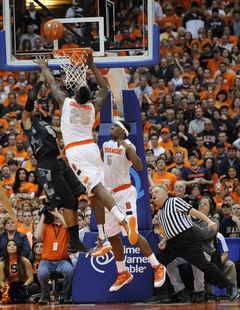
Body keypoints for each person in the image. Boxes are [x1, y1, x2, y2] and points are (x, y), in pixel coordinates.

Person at [35, 53, 137, 256]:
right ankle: (102, 238)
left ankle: (122, 219)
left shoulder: (66, 102)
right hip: (91, 147)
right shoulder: (94, 107)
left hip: (76, 152)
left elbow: (53, 86)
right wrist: (91, 64)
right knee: (94, 195)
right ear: (89, 98)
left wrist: (44, 67)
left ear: (74, 96)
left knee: (96, 189)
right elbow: (105, 89)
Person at [21, 69, 91, 255]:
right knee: (66, 200)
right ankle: (74, 241)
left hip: (59, 162)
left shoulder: (46, 124)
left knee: (78, 193)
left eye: (36, 106)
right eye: (32, 105)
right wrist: (41, 81)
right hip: (46, 165)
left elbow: (65, 133)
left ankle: (74, 241)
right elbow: (31, 98)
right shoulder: (27, 121)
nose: (34, 106)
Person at [101, 121, 166, 292]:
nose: (111, 129)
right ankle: (123, 272)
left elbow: (139, 166)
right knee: (113, 236)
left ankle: (157, 266)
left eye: (114, 127)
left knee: (132, 233)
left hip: (124, 193)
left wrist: (128, 149)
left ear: (123, 131)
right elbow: (99, 161)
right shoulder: (106, 144)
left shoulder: (129, 146)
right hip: (108, 195)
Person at [152, 184, 239, 302]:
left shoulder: (174, 201)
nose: (153, 194)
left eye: (156, 191)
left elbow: (192, 211)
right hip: (173, 243)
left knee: (203, 265)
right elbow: (170, 229)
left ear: (165, 193)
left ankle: (230, 287)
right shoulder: (161, 212)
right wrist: (163, 241)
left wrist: (208, 220)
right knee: (157, 262)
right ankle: (168, 293)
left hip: (187, 239)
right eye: (152, 192)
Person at [34, 207, 74, 304]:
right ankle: (45, 295)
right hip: (47, 260)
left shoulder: (65, 224)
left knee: (69, 271)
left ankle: (67, 294)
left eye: (60, 210)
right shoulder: (46, 225)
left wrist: (58, 214)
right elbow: (37, 236)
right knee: (42, 273)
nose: (57, 212)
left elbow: (72, 230)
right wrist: (43, 216)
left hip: (62, 260)